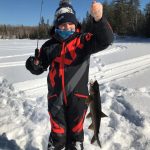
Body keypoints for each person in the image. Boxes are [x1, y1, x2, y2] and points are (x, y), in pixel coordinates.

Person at [26, 0, 114, 149]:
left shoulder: (84, 41)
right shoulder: (49, 46)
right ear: (56, 25)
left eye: (70, 24)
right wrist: (33, 64)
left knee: (75, 136)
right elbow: (39, 67)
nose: (67, 27)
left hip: (78, 100)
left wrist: (99, 19)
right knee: (57, 135)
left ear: (76, 24)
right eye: (63, 25)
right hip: (55, 100)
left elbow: (106, 40)